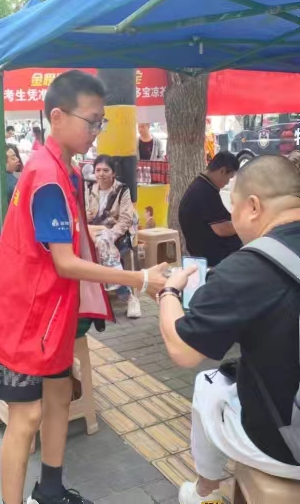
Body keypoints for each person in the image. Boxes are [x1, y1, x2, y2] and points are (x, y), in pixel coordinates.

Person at [0, 71, 167, 504]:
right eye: (92, 121)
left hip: (49, 314)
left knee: (60, 393)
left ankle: (52, 490)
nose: (97, 132)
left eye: (100, 122)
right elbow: (65, 262)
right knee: (26, 418)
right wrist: (139, 278)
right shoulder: (45, 175)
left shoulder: (63, 168)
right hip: (21, 319)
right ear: (57, 117)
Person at [156, 154, 300, 504]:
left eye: (232, 206)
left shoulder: (249, 268)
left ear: (252, 206)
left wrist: (169, 291)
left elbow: (183, 350)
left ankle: (204, 491)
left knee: (208, 385)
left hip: (287, 446)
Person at [86, 155, 142, 318]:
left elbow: (125, 220)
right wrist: (87, 216)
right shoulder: (90, 189)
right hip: (96, 230)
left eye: (105, 170)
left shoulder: (122, 190)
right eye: (98, 170)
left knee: (103, 244)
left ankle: (129, 298)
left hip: (119, 234)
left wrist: (110, 235)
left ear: (113, 173)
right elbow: (86, 214)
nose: (101, 174)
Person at [178, 152, 245, 269]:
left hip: (207, 251)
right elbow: (222, 229)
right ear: (222, 171)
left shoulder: (203, 185)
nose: (227, 183)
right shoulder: (205, 192)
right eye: (229, 178)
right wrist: (245, 224)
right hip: (214, 256)